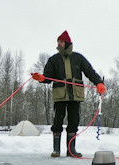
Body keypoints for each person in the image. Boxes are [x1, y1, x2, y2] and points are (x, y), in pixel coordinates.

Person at [32, 30, 106, 158]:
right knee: (57, 121)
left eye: (61, 41)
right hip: (60, 95)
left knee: (74, 121)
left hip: (75, 96)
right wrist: (41, 78)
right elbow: (48, 77)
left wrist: (99, 82)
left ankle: (71, 150)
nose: (58, 44)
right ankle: (56, 150)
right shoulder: (53, 60)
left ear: (67, 43)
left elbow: (90, 72)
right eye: (58, 42)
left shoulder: (78, 58)